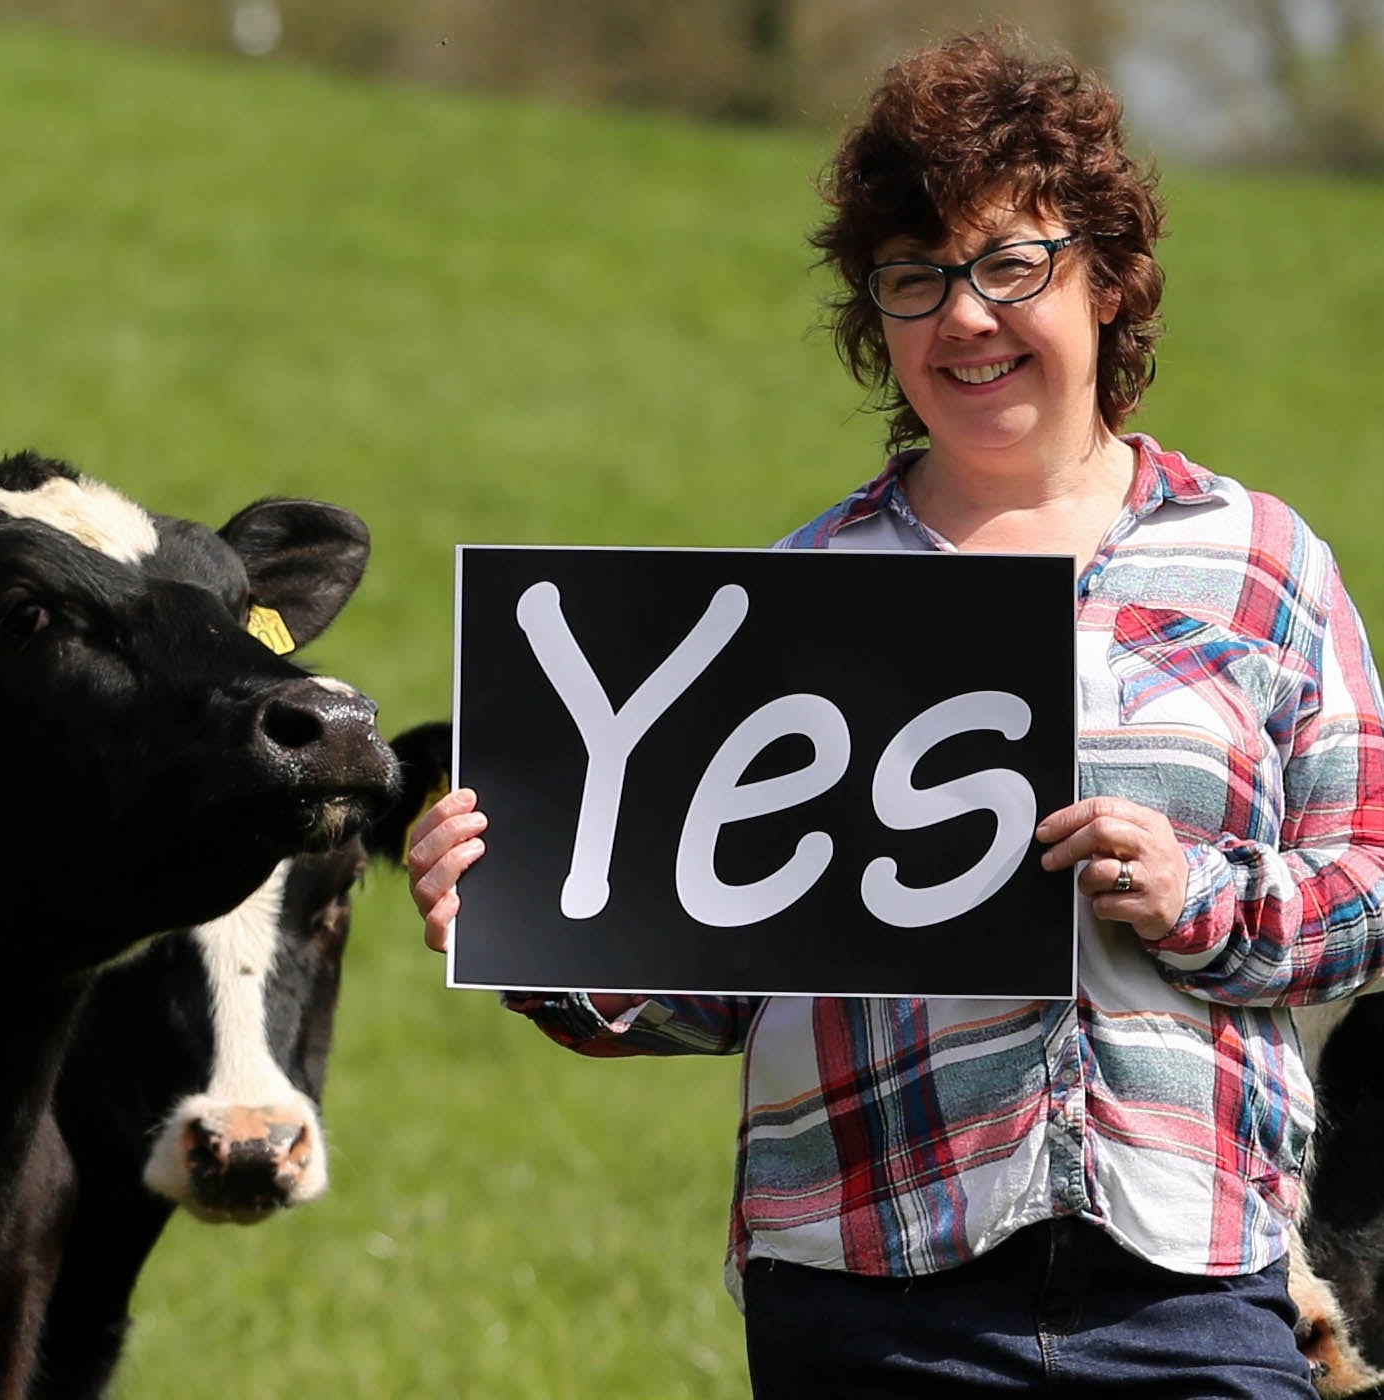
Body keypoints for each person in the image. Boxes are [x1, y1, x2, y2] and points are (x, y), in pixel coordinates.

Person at [406, 30, 1384, 1399]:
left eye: (1008, 266)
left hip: (1193, 1289)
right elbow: (704, 980)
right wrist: (524, 927)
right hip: (868, 1302)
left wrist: (1195, 896)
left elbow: (1363, 897)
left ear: (1106, 279)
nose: (963, 318)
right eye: (915, 280)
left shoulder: (1265, 564)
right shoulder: (794, 600)